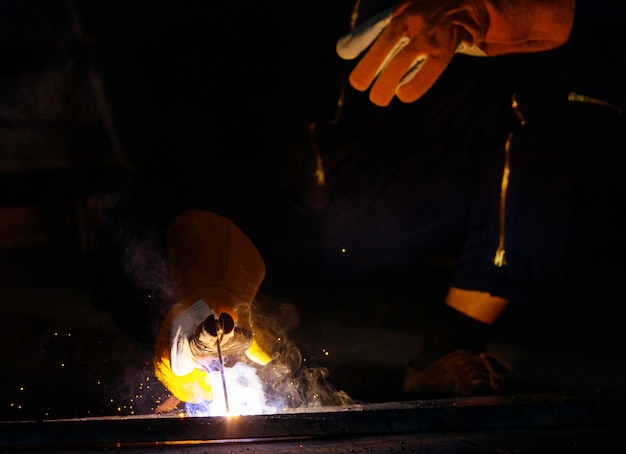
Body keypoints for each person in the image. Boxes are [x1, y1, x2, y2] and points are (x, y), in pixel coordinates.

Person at [92, 0, 626, 405]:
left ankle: (450, 342)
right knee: (145, 228)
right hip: (260, 191)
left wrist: (489, 16)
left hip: (377, 202)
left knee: (575, 78)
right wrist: (206, 286)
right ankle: (197, 328)